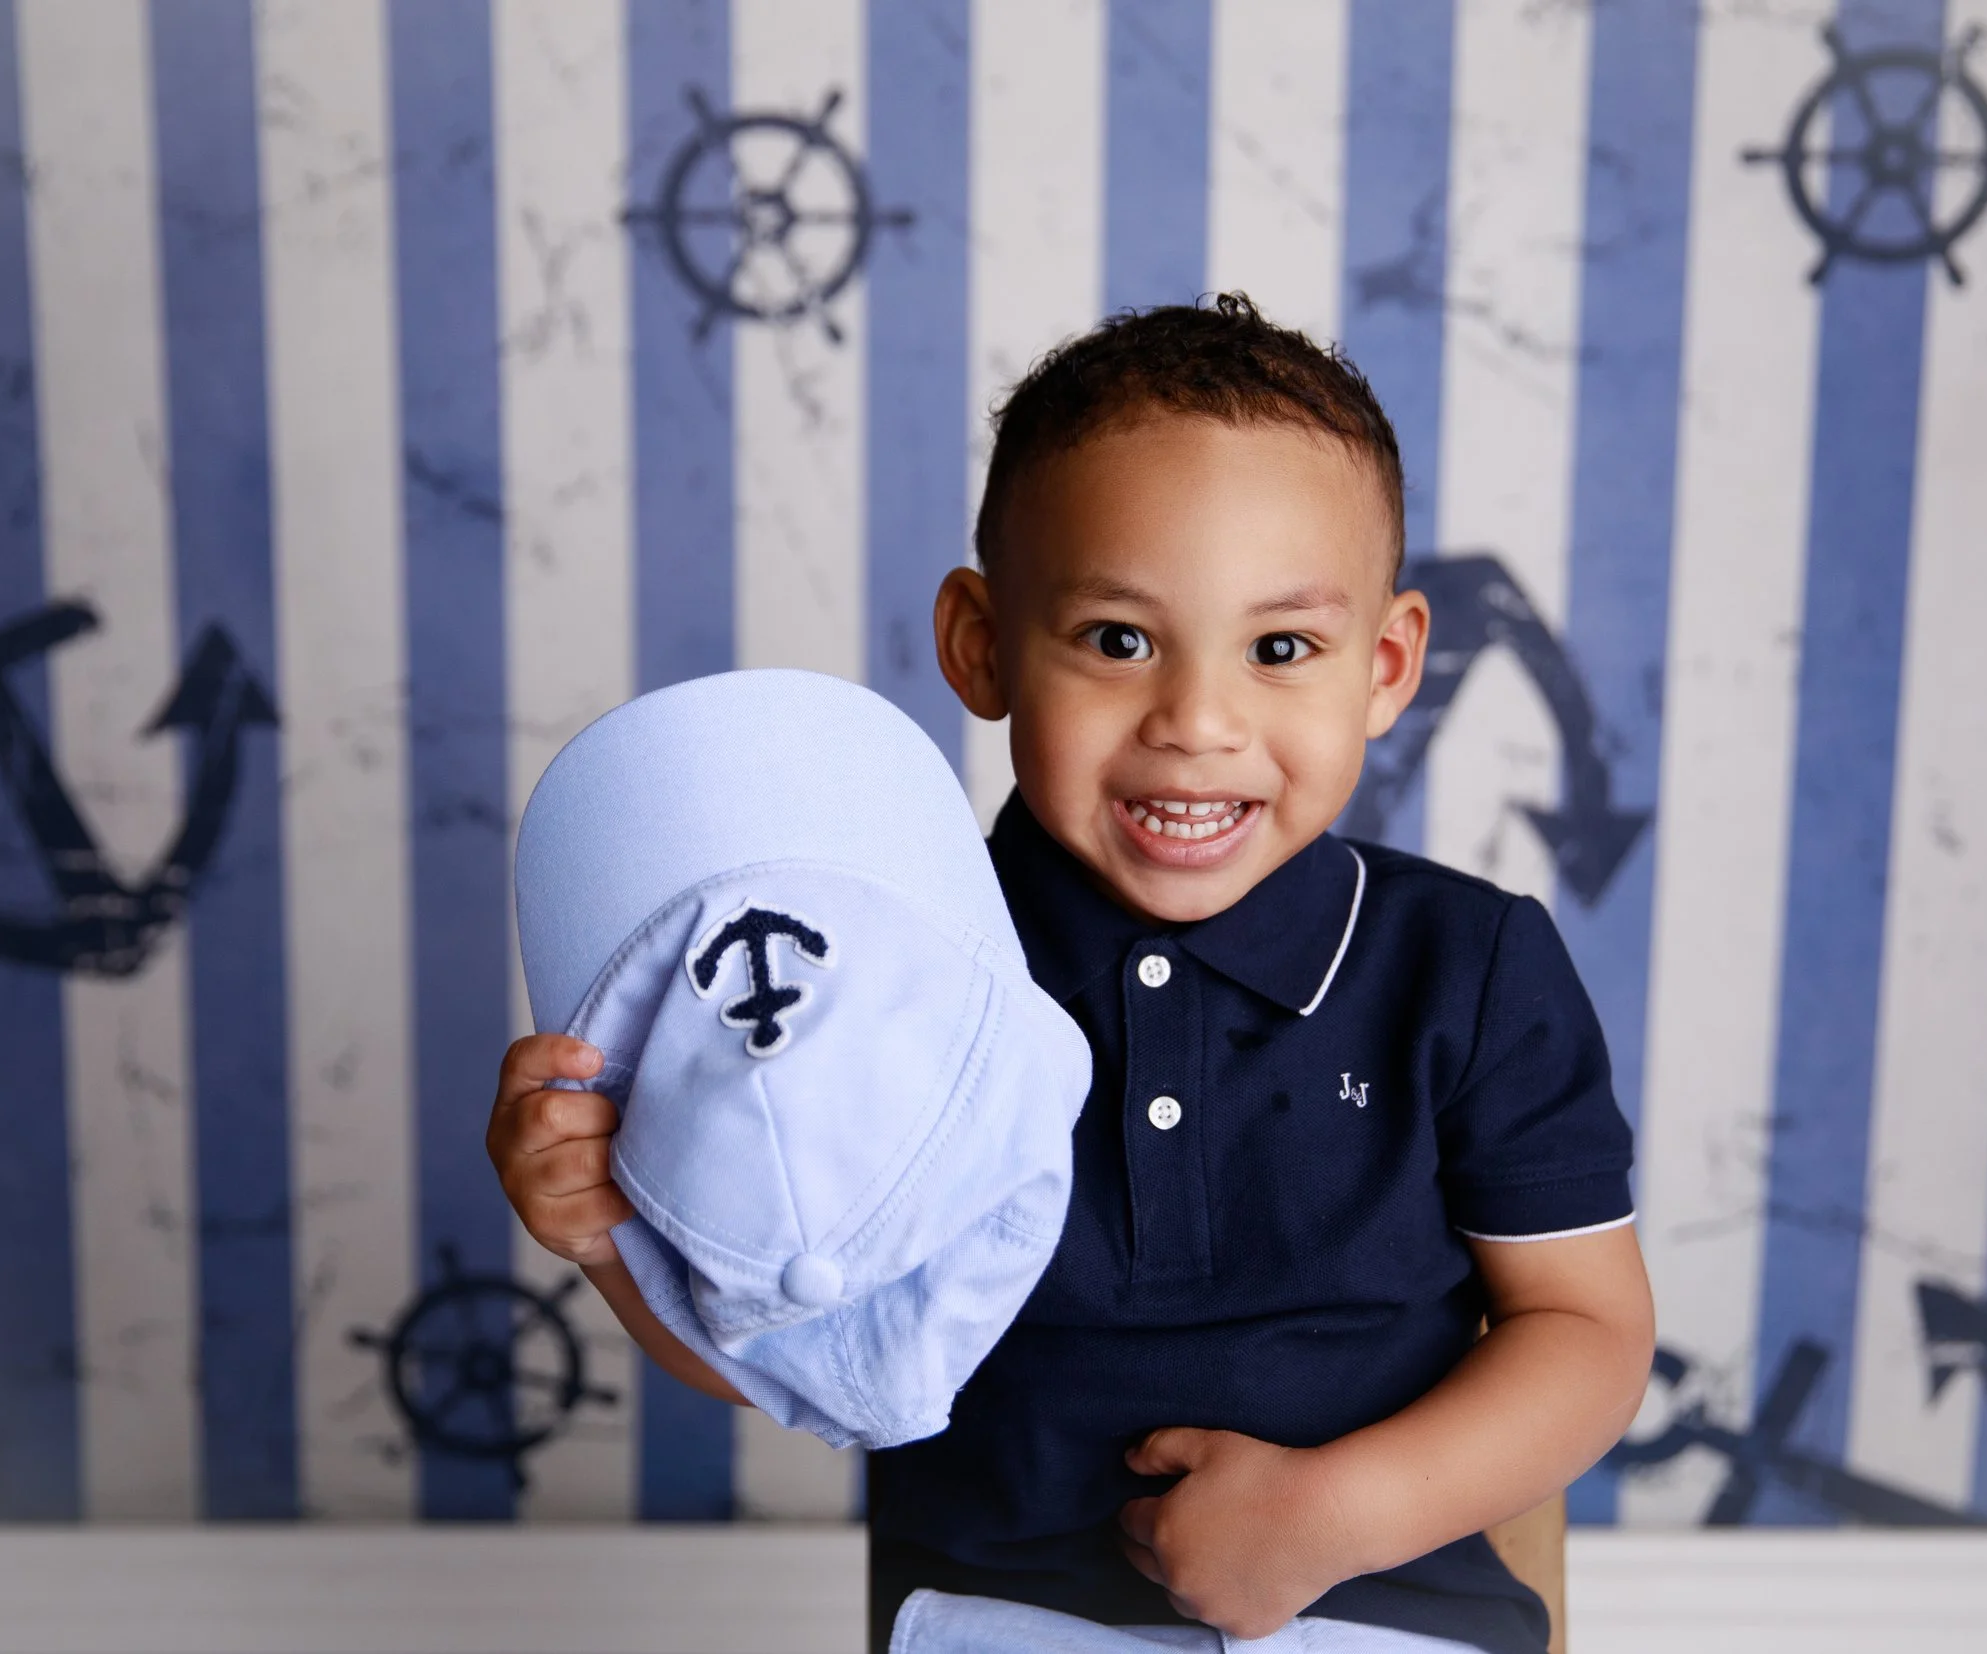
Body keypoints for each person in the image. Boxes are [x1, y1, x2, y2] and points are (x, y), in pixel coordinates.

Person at [485, 295, 1655, 1653]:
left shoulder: (1467, 964)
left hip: (1384, 1607)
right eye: (1117, 638)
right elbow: (807, 1349)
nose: (1197, 723)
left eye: (1280, 649)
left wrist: (1335, 1513)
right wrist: (609, 1242)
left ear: (1386, 665)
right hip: (997, 1619)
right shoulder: (886, 981)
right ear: (983, 644)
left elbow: (1584, 1331)